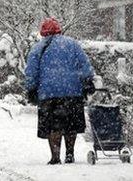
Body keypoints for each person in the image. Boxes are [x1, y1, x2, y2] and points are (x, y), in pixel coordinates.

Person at [25, 18, 95, 165]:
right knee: (71, 125)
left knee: (53, 126)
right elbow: (84, 64)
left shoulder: (39, 48)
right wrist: (88, 81)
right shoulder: (72, 44)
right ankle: (70, 154)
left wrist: (31, 88)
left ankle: (55, 156)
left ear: (43, 31)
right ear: (58, 29)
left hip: (49, 94)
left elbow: (31, 71)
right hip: (72, 92)